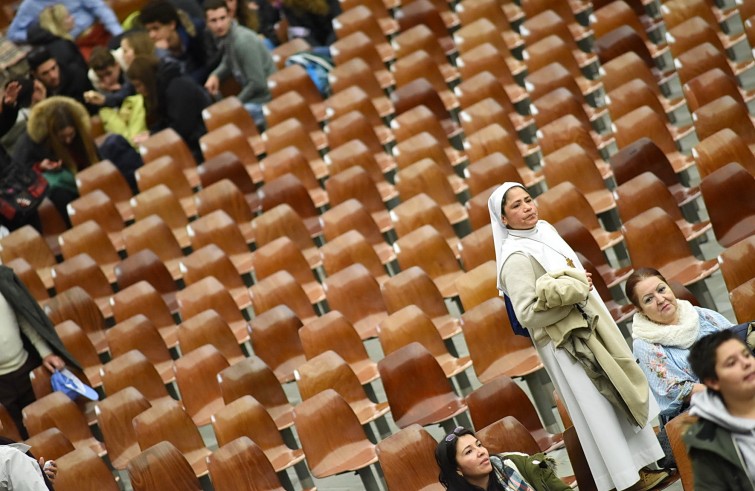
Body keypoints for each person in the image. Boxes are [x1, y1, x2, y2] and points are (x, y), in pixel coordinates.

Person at [489, 182, 667, 491]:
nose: (527, 208)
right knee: (598, 406)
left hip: (592, 324)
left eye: (528, 200)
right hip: (567, 344)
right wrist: (573, 296)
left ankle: (646, 461)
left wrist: (577, 292)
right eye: (516, 206)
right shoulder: (515, 258)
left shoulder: (544, 230)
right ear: (503, 219)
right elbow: (527, 315)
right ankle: (627, 479)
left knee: (618, 390)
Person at [626, 268, 734, 422]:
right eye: (648, 299)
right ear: (641, 310)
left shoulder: (698, 314)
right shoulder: (644, 344)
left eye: (662, 289)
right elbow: (681, 392)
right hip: (695, 415)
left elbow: (739, 339)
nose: (661, 300)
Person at [0, 265, 80, 438]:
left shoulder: (3, 281)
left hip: (28, 368)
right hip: (1, 387)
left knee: (53, 426)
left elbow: (25, 318)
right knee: (20, 440)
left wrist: (46, 353)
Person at [685, 330, 755, 489]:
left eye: (746, 355)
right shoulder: (708, 441)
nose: (746, 363)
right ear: (713, 382)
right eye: (731, 363)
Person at [12, 96, 99, 220]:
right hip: (61, 190)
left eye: (71, 135)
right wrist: (40, 167)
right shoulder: (30, 143)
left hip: (86, 182)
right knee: (58, 195)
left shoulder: (82, 137)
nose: (68, 140)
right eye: (63, 137)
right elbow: (20, 172)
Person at [203, 0, 275, 130]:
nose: (219, 25)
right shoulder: (230, 38)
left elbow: (258, 84)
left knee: (226, 124)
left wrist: (235, 104)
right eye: (213, 21)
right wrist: (215, 75)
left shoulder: (242, 42)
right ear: (206, 24)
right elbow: (228, 60)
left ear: (230, 16)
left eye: (222, 18)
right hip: (256, 99)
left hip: (267, 99)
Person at [435, 426, 571, 491]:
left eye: (479, 445)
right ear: (457, 468)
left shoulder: (517, 464)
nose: (481, 452)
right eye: (469, 451)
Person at [126, 55, 210, 160]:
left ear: (147, 80)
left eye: (138, 85)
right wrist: (151, 133)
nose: (138, 91)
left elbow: (181, 128)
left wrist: (153, 136)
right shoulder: (164, 87)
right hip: (192, 141)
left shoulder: (176, 88)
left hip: (202, 142)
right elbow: (168, 121)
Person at [7, 0, 123, 54]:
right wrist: (49, 33)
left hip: (97, 31)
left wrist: (118, 34)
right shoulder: (29, 5)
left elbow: (99, 7)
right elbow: (13, 34)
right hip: (75, 45)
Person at [139, 0, 208, 83]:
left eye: (156, 28)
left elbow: (209, 63)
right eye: (148, 30)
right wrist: (164, 55)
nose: (152, 35)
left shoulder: (196, 32)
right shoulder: (157, 51)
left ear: (172, 24)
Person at [27, 46, 94, 111]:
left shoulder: (76, 74)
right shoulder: (35, 93)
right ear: (35, 75)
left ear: (56, 62)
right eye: (45, 73)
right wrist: (43, 102)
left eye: (53, 68)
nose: (53, 76)